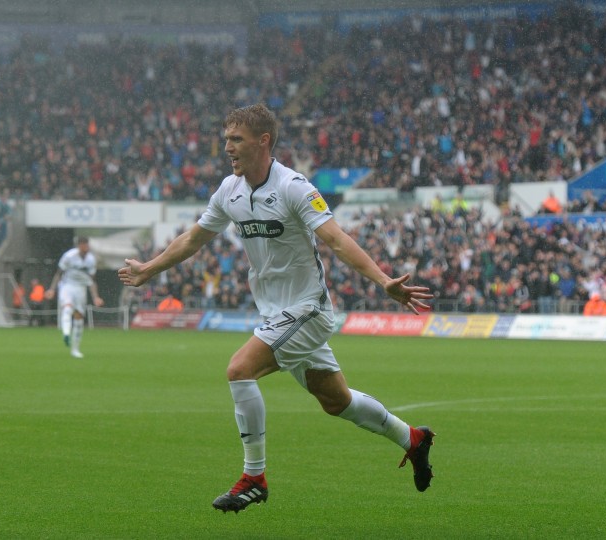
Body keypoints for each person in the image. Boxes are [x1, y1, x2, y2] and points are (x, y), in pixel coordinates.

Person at [118, 104, 436, 513]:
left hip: (308, 310)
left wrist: (382, 280)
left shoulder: (293, 187)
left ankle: (254, 478)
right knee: (336, 401)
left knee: (239, 370)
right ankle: (412, 438)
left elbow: (336, 239)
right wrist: (149, 268)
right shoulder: (229, 190)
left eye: (236, 139)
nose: (228, 147)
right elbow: (193, 238)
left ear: (263, 141)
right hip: (276, 314)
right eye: (226, 139)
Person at [46, 237, 104, 358]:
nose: (86, 247)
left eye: (87, 245)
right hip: (67, 285)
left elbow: (92, 280)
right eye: (83, 245)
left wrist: (96, 297)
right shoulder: (69, 256)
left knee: (79, 318)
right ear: (79, 246)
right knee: (67, 308)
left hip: (81, 288)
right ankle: (66, 333)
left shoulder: (91, 260)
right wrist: (52, 289)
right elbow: (59, 273)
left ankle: (75, 350)